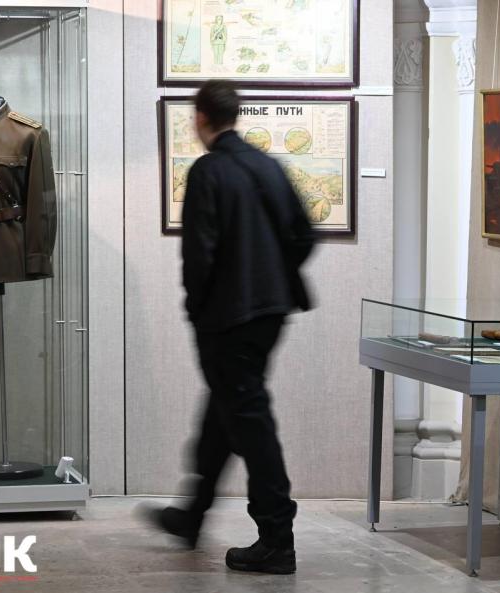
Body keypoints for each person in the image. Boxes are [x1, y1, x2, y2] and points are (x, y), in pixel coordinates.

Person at [145, 80, 315, 574]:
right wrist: (274, 279)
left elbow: (200, 254)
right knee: (226, 410)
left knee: (250, 423)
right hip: (271, 312)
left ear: (201, 117)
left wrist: (197, 307)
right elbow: (304, 235)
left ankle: (277, 539)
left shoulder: (209, 170)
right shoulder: (267, 165)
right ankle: (192, 514)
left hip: (227, 318)